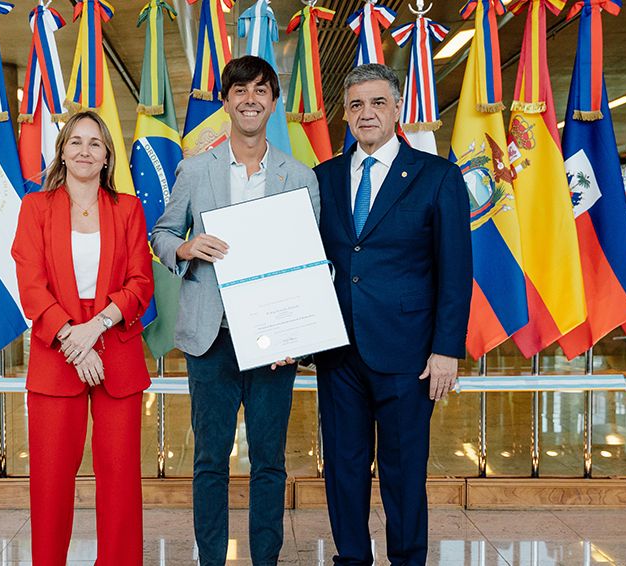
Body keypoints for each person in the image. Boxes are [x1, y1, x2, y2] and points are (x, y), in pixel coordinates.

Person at [150, 55, 319, 565]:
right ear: (225, 101)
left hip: (273, 342)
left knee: (269, 462)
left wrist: (297, 337)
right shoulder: (195, 169)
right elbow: (161, 232)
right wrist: (184, 248)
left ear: (273, 101)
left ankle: (265, 558)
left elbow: (311, 263)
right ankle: (211, 560)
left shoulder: (301, 177)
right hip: (211, 337)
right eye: (239, 90)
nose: (250, 99)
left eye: (261, 90)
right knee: (209, 461)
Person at [313, 64, 472, 565]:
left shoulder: (437, 176)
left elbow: (455, 271)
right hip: (338, 353)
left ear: (397, 108)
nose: (366, 114)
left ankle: (407, 560)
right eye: (357, 105)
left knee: (405, 472)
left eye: (377, 103)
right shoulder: (325, 177)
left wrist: (447, 349)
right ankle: (352, 559)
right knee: (344, 469)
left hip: (409, 356)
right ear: (345, 112)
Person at [11, 110, 154, 566]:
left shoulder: (128, 208)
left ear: (108, 155)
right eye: (76, 142)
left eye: (95, 143)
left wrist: (94, 329)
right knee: (51, 479)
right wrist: (73, 338)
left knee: (120, 479)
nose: (85, 151)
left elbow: (140, 283)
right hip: (59, 351)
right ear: (62, 151)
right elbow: (30, 283)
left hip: (115, 344)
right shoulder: (35, 207)